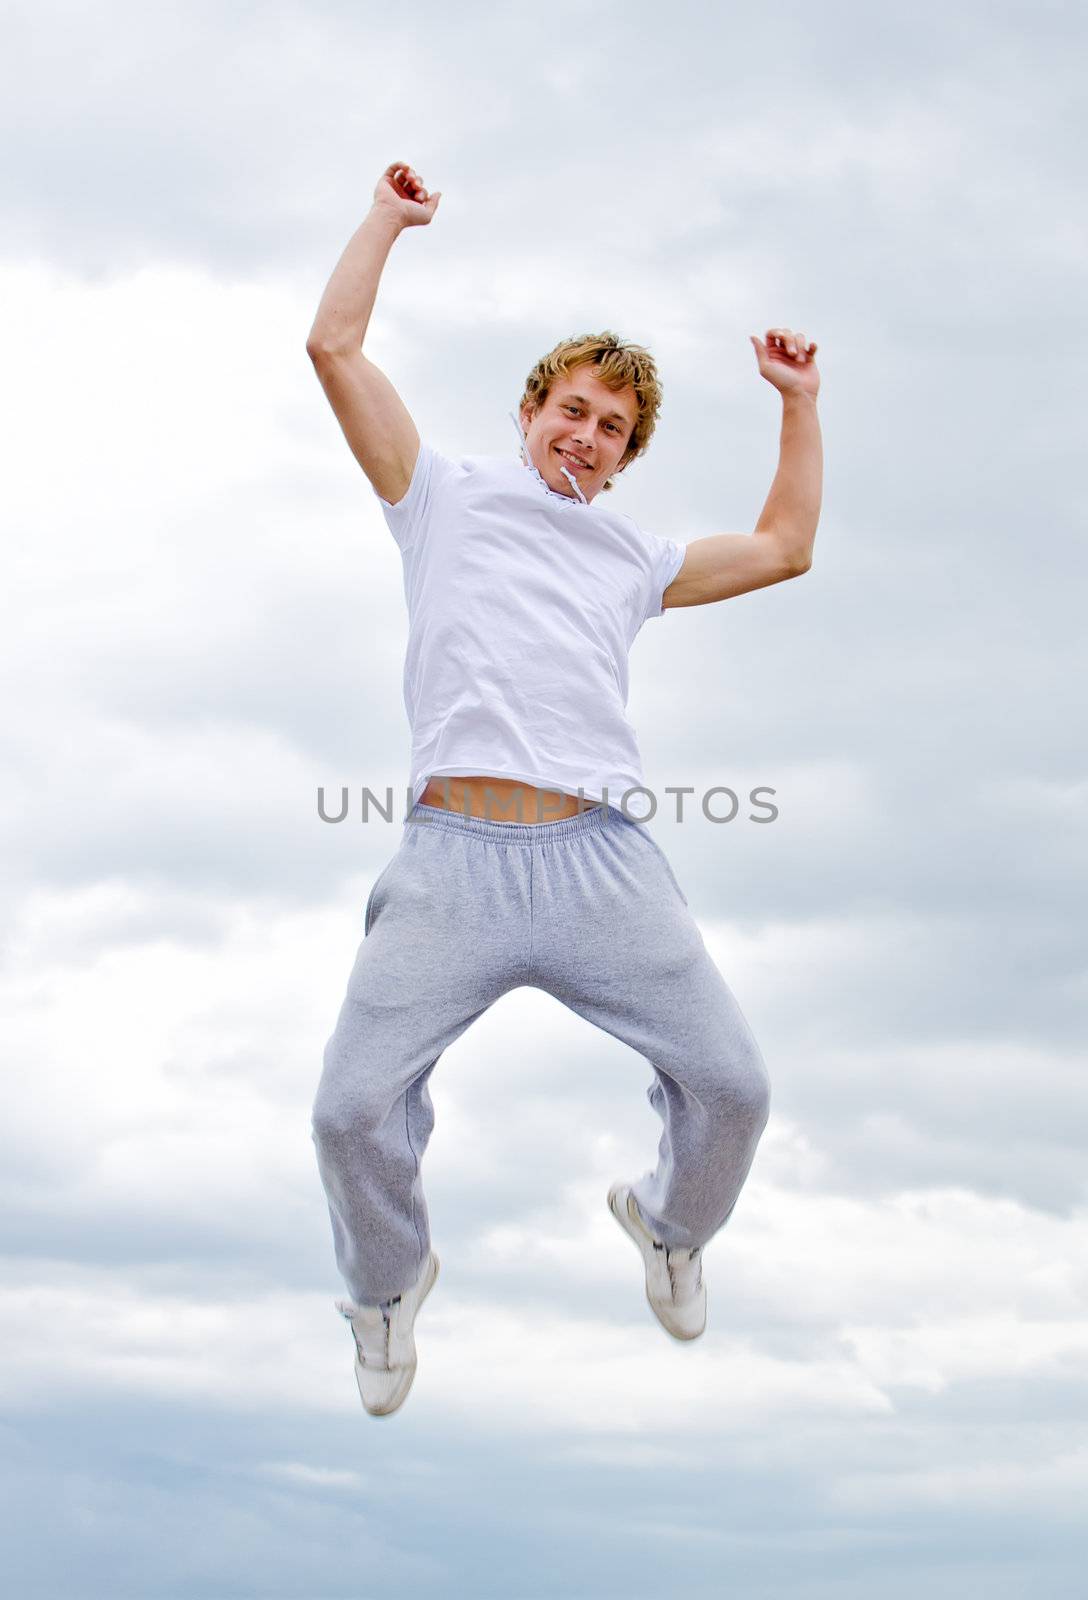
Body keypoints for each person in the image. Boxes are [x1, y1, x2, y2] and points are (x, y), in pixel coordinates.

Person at [306, 160, 823, 1417]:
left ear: (624, 456)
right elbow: (332, 346)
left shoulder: (631, 557)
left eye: (611, 429)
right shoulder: (439, 496)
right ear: (532, 406)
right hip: (453, 860)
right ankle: (386, 1287)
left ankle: (667, 1225)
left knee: (736, 1086)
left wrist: (796, 403)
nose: (583, 435)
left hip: (599, 863)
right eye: (572, 408)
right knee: (349, 1109)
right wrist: (389, 218)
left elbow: (782, 548)